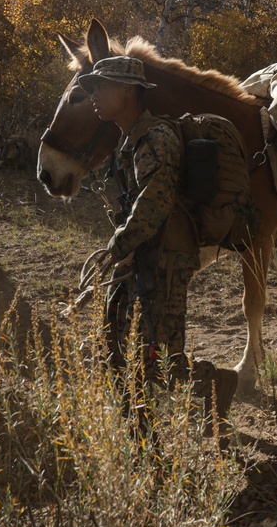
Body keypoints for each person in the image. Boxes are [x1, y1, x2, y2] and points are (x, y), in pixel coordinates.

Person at [81, 55, 237, 428]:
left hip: (163, 260)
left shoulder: (156, 137)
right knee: (117, 350)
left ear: (129, 91)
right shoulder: (129, 139)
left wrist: (117, 248)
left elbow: (156, 201)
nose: (94, 95)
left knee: (158, 359)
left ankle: (214, 385)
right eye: (92, 88)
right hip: (139, 256)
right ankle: (139, 432)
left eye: (102, 86)